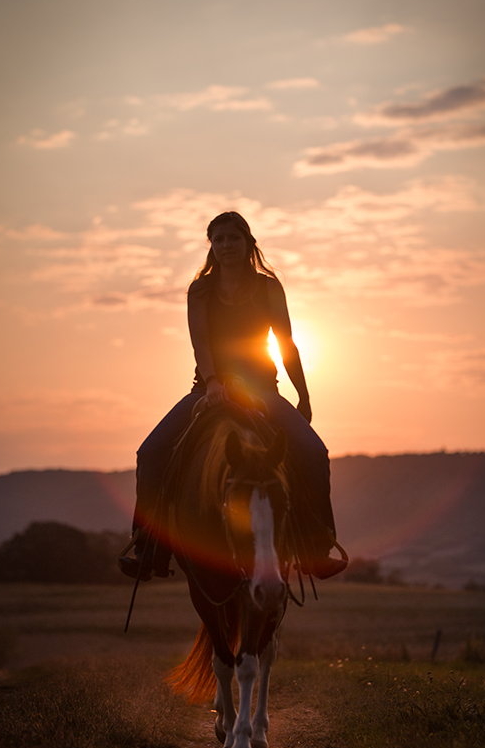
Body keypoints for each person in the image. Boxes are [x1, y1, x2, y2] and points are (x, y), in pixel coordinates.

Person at [119, 211, 347, 581]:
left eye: (233, 239)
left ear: (248, 243)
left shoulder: (269, 287)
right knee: (150, 451)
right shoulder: (201, 290)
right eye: (219, 240)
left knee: (314, 451)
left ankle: (316, 546)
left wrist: (302, 395)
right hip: (210, 388)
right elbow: (201, 343)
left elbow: (286, 344)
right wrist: (212, 383)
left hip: (261, 390)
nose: (226, 246)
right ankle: (148, 547)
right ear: (211, 246)